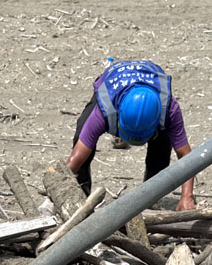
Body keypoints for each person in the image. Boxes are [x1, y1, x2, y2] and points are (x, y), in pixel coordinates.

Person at [67, 59, 197, 211]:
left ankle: (150, 198)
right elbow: (76, 157)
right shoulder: (104, 110)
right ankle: (82, 198)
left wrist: (187, 196)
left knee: (162, 145)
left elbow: (186, 155)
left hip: (151, 91)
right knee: (80, 138)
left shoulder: (169, 109)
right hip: (113, 83)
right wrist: (54, 195)